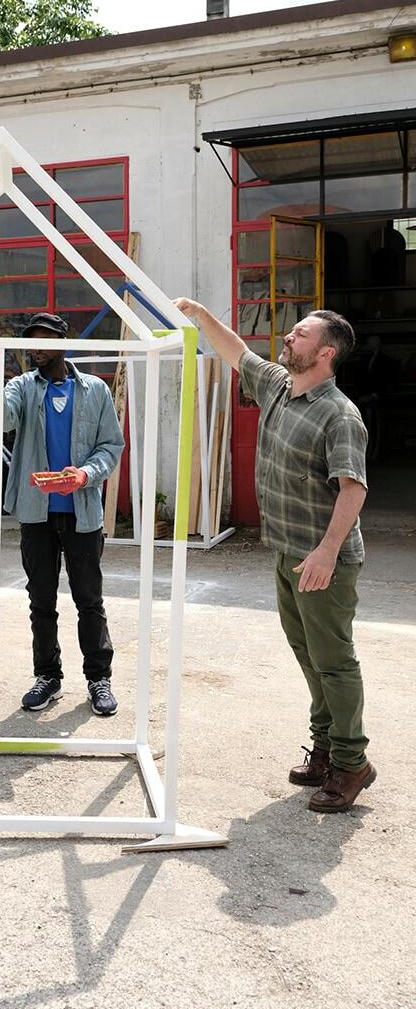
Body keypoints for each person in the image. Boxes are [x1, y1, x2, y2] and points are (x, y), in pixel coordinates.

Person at [174, 299, 374, 813]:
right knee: (308, 654)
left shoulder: (340, 415)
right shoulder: (280, 387)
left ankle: (352, 763)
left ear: (326, 353)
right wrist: (201, 314)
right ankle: (325, 746)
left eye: (301, 334)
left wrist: (327, 552)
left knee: (335, 662)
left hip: (324, 561)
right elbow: (237, 353)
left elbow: (353, 488)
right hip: (288, 552)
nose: (288, 337)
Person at [0, 313, 124, 716]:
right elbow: (0, 420)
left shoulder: (94, 390)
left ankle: (99, 678)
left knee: (89, 599)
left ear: (62, 342)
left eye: (44, 338)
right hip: (36, 513)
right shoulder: (22, 386)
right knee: (41, 600)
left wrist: (84, 474)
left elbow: (111, 446)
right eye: (32, 340)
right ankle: (48, 677)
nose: (36, 347)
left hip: (82, 512)